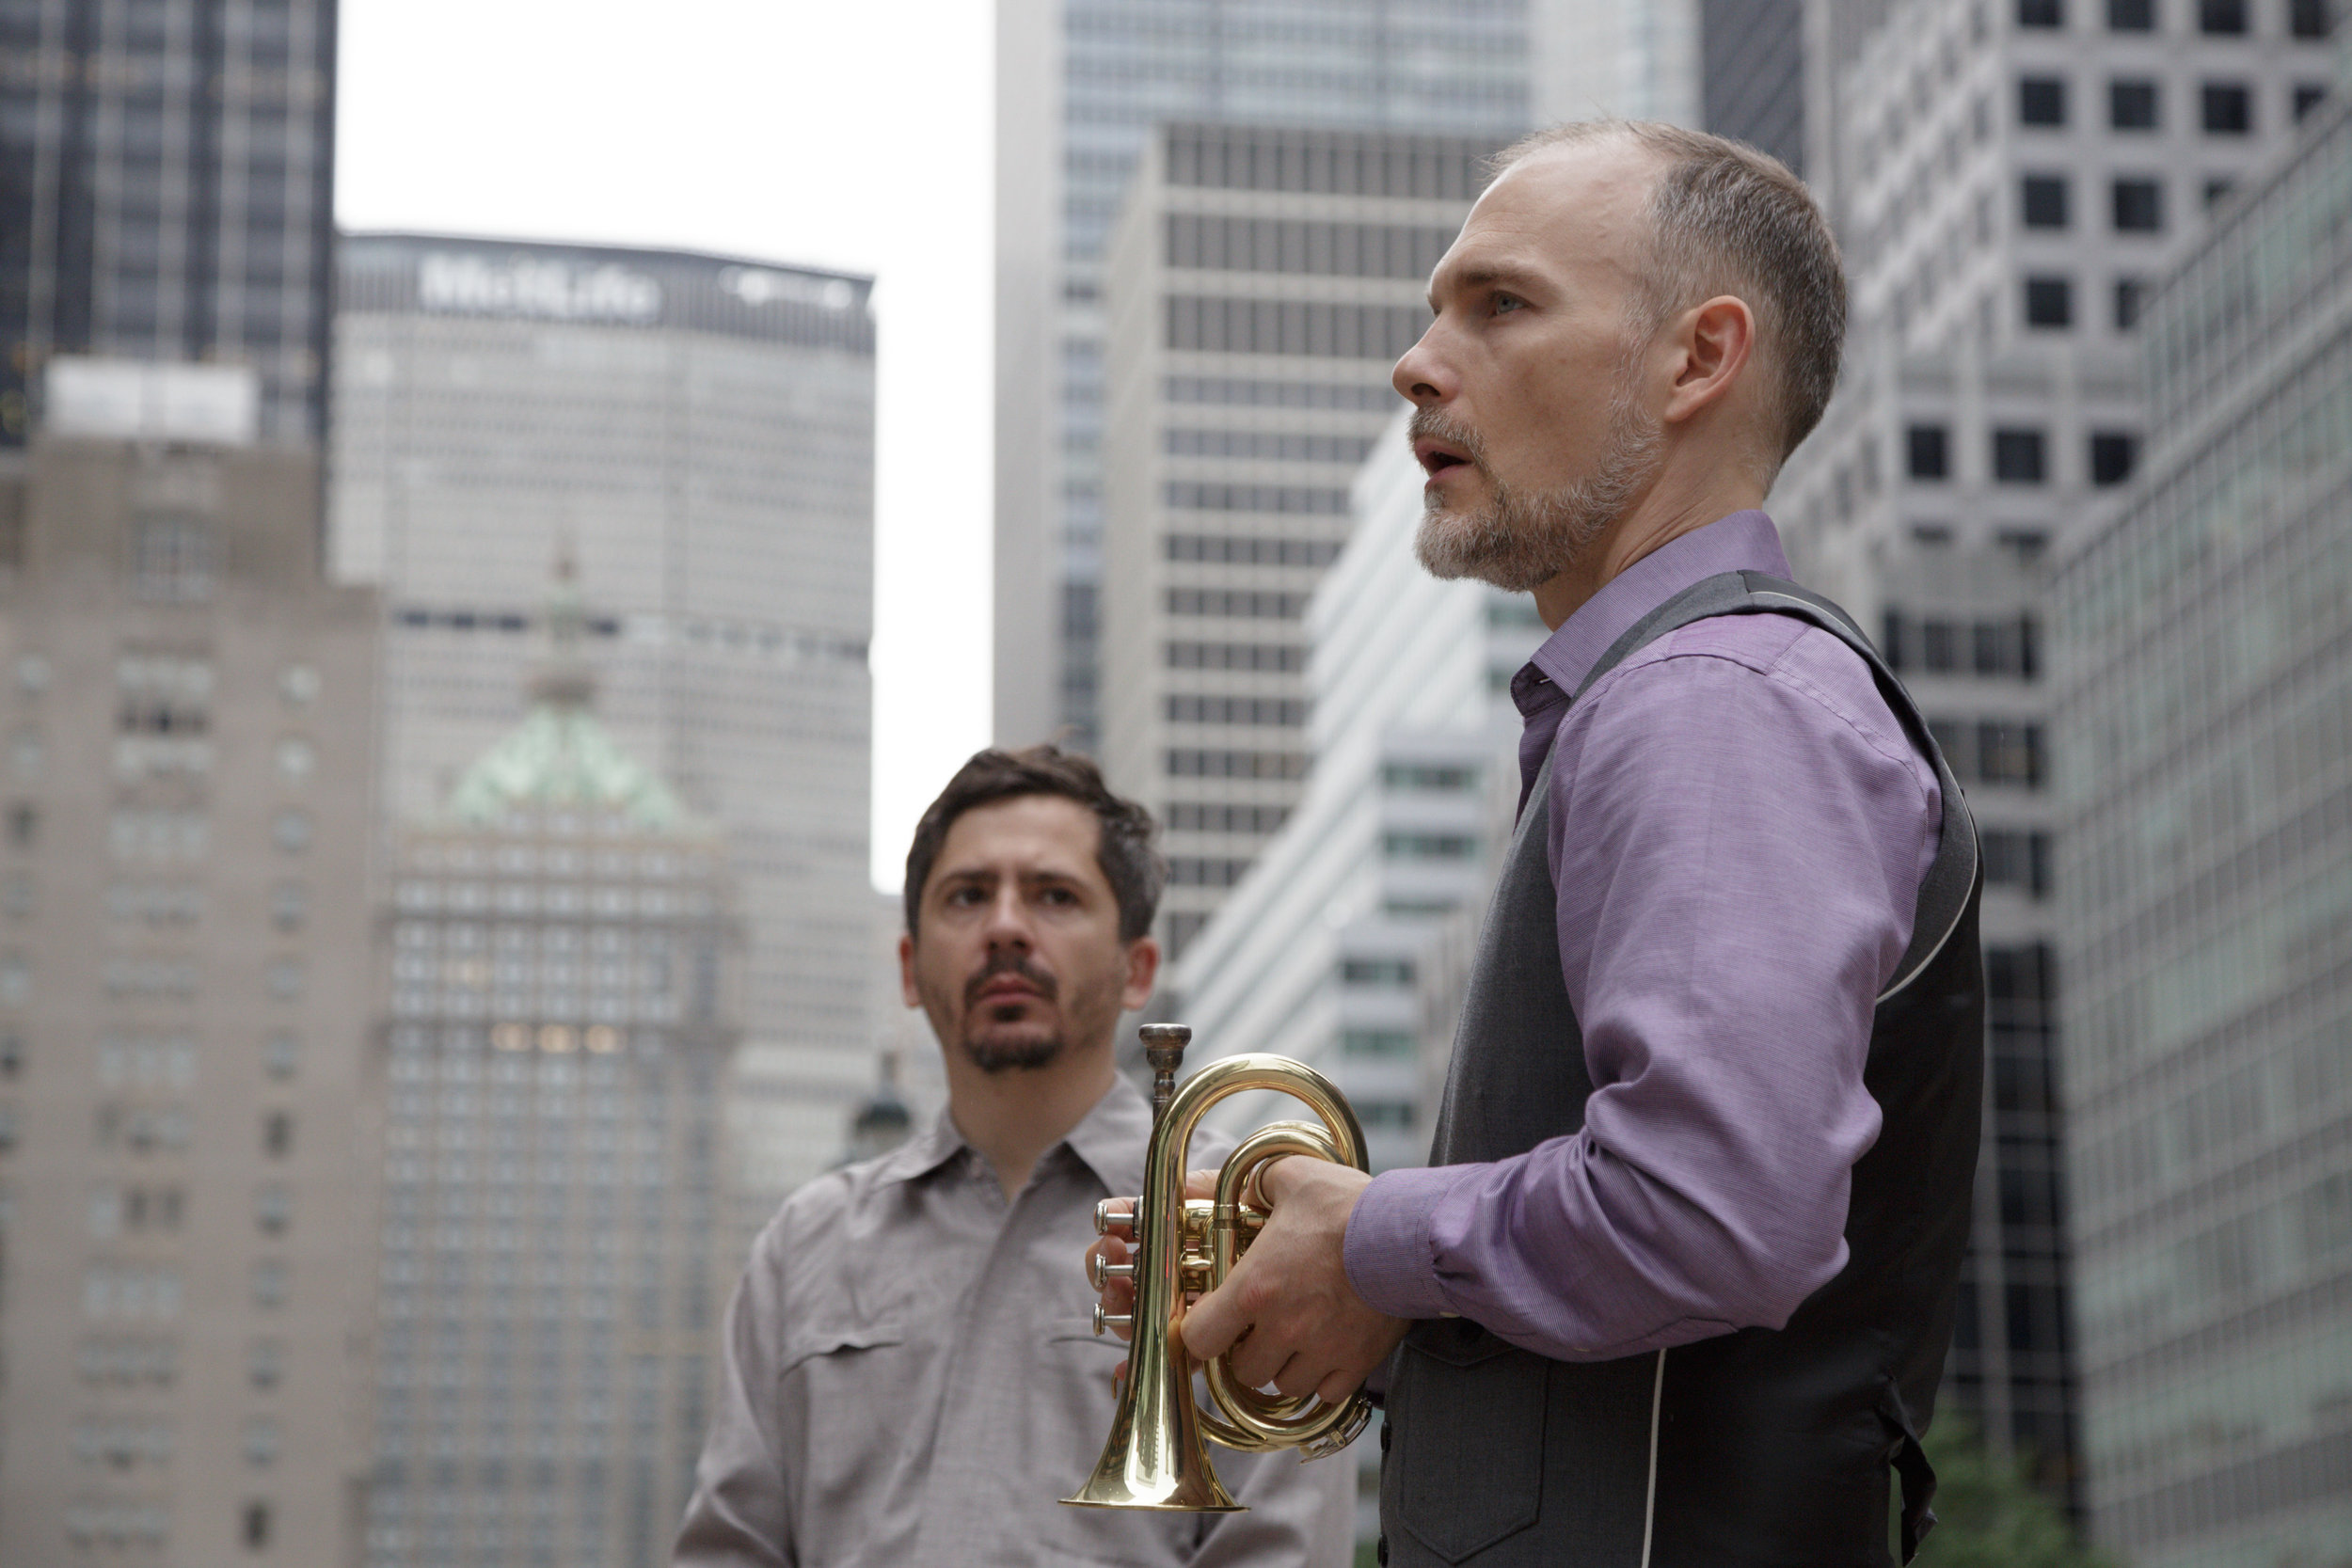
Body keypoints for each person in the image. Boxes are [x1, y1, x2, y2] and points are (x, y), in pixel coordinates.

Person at [1103, 121, 1985, 1565]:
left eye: (1499, 304)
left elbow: (1707, 1213)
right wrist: (1322, 1279)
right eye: (1436, 305)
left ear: (1697, 360)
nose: (1417, 360)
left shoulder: (1709, 701)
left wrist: (1374, 1234)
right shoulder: (1677, 702)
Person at [675, 747, 1354, 1568]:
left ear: (1136, 967)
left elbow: (1277, 1550)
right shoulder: (802, 1244)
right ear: (908, 969)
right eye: (967, 895)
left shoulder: (1242, 1227)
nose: (1004, 925)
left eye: (1054, 895)